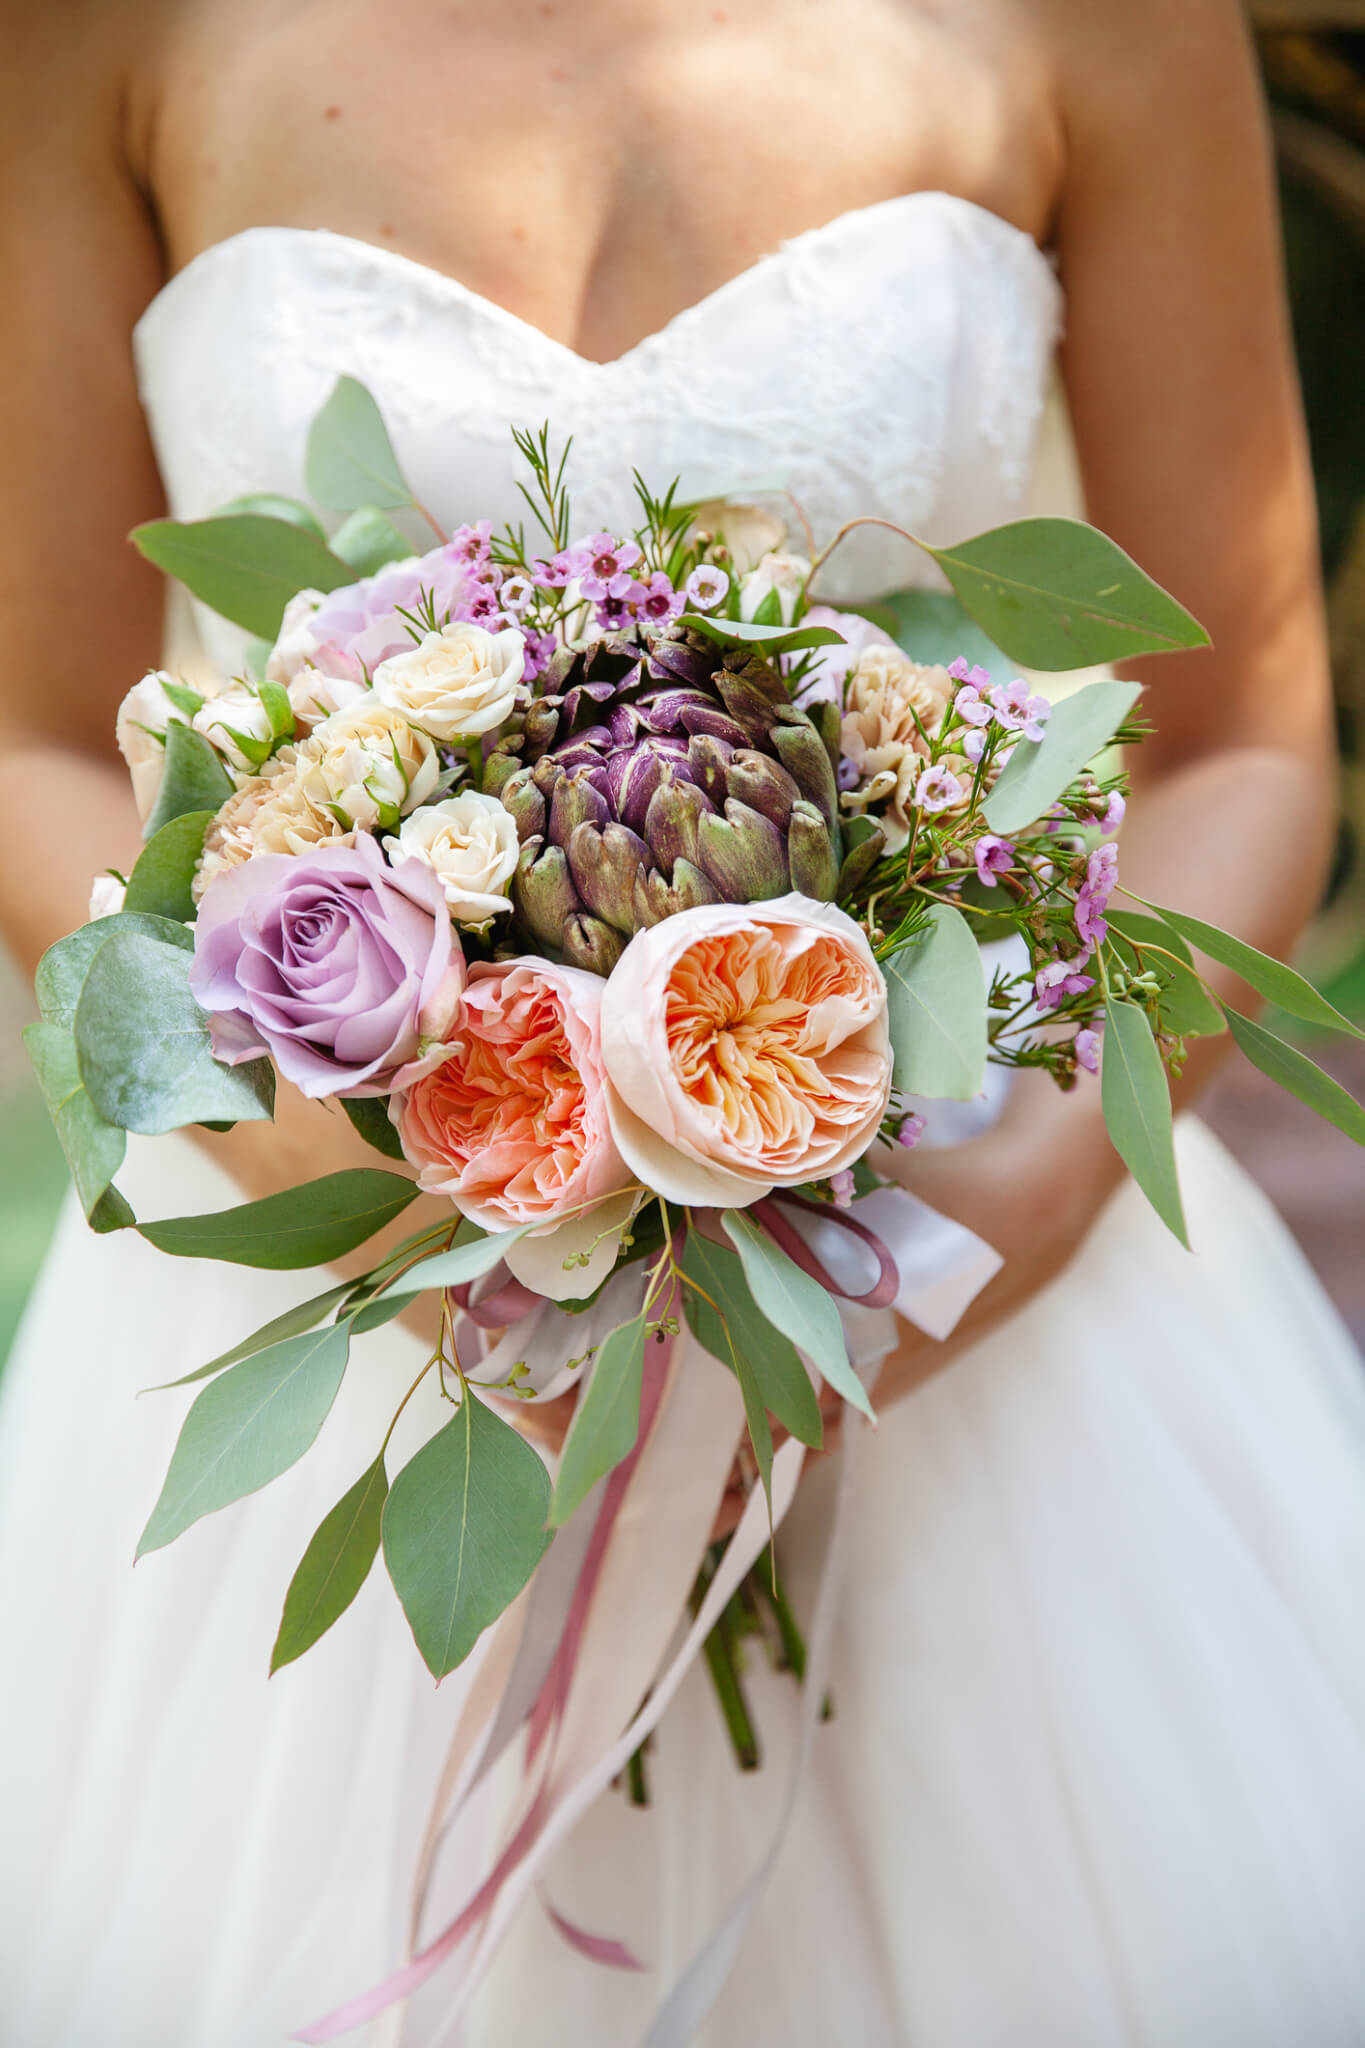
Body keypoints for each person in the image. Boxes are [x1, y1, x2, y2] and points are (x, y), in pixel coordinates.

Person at [2, 1, 1364, 2042]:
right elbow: (27, 731)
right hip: (357, 1294)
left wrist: (977, 1235)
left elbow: (1242, 738)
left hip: (964, 1289)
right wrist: (359, 1173)